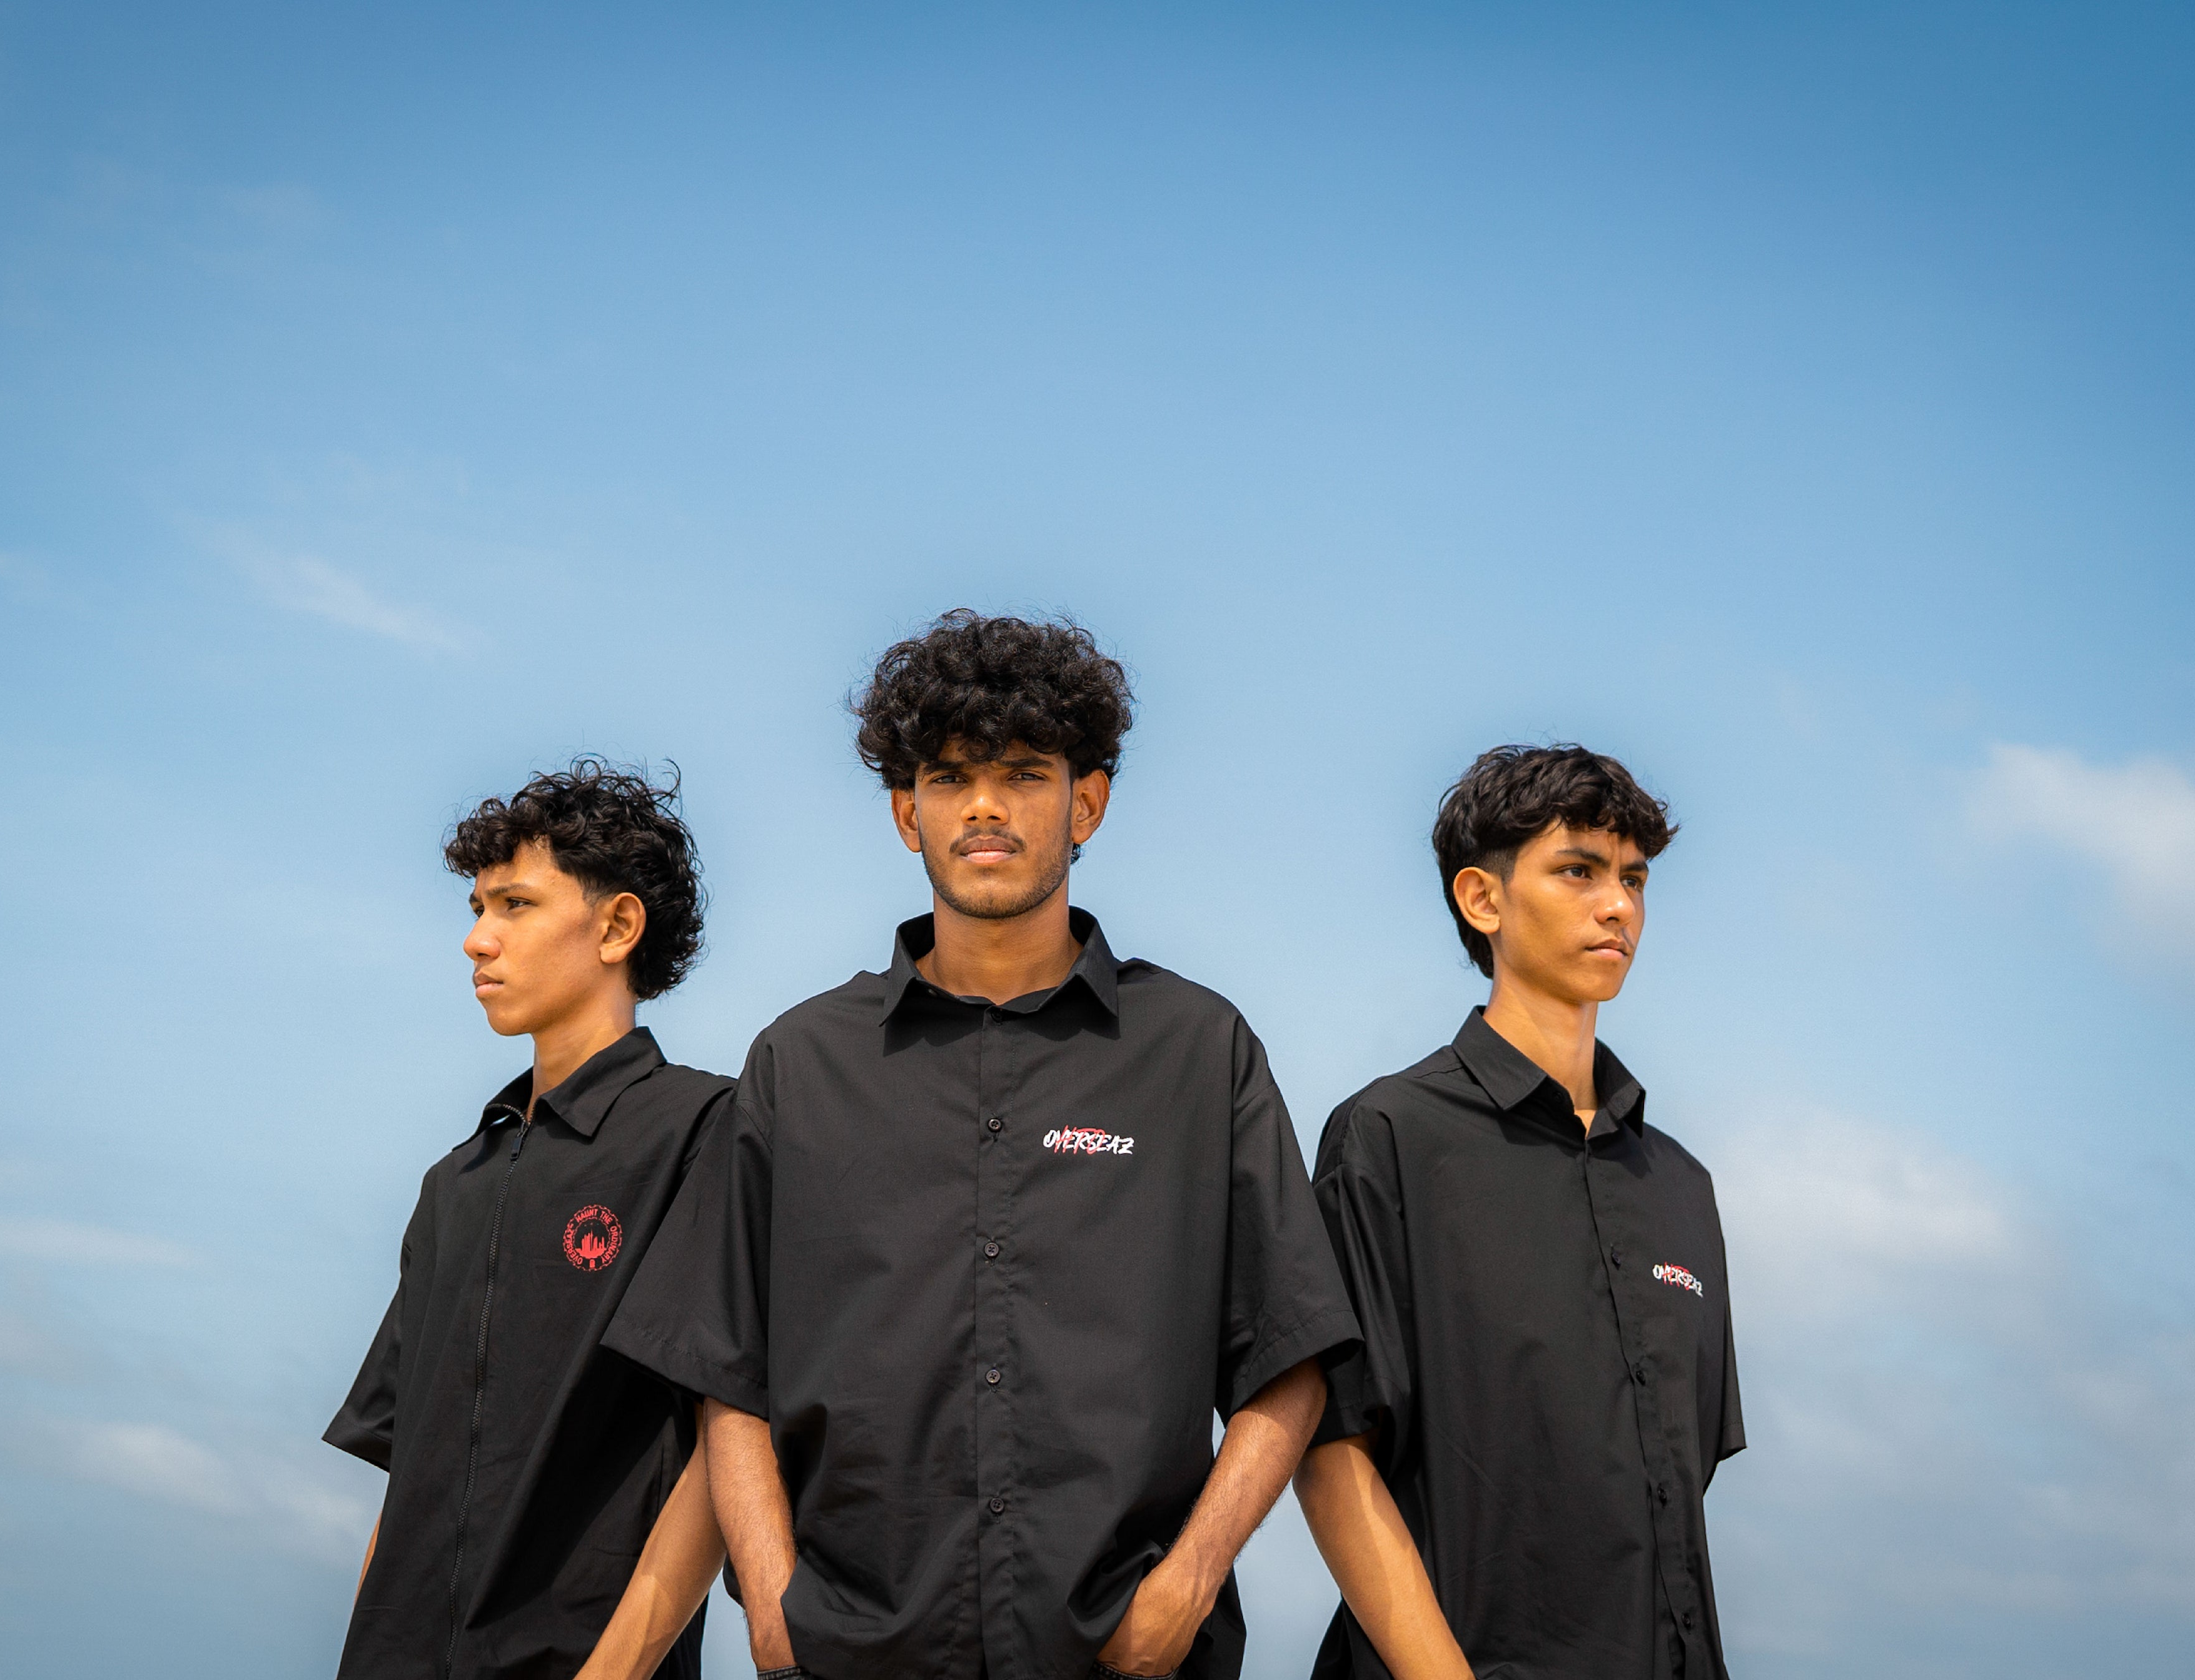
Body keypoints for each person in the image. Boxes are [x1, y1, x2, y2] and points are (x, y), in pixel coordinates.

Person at [605, 610, 1358, 1680]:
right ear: (907, 813)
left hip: (1123, 1656)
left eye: (1024, 773)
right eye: (951, 777)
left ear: (1086, 801)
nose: (988, 807)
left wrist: (1185, 1589)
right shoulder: (798, 1063)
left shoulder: (1198, 1051)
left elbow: (1291, 1356)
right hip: (853, 1651)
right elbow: (728, 1372)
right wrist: (775, 1617)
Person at [1293, 745, 1744, 1680]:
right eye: (1577, 871)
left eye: (1633, 878)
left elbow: (1675, 1482)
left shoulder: (1681, 1186)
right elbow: (1333, 1454)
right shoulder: (1389, 1136)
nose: (1618, 906)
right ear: (1482, 899)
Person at [326, 760, 734, 1680]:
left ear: (618, 926)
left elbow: (731, 1439)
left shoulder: (706, 1130)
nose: (477, 940)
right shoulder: (454, 1182)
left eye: (514, 906)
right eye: (475, 909)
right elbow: (410, 1477)